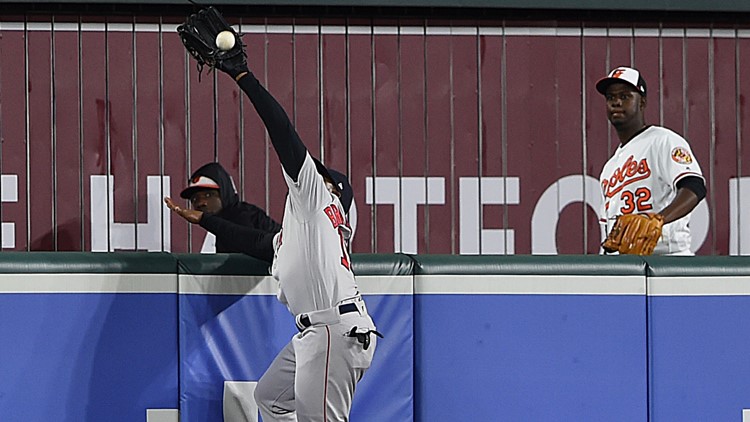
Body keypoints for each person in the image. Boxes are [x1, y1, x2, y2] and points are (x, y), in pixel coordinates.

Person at [212, 40, 380, 421]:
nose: (307, 170)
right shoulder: (304, 231)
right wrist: (205, 220)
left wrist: (244, 77)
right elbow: (257, 242)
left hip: (331, 329)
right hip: (322, 330)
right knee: (271, 398)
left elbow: (283, 132)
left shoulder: (317, 198)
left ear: (332, 189)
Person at [596, 66, 707, 255]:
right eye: (611, 98)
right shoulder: (610, 167)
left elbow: (694, 186)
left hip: (669, 261)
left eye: (625, 96)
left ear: (642, 102)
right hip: (627, 266)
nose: (616, 102)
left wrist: (659, 219)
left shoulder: (662, 140)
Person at [164, 162, 281, 262]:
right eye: (195, 199)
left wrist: (204, 219)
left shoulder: (245, 216)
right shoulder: (223, 225)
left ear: (224, 193)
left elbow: (252, 244)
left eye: (208, 195)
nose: (201, 203)